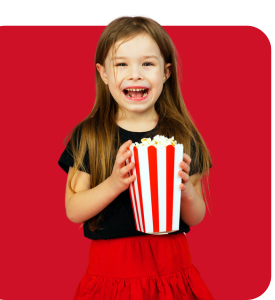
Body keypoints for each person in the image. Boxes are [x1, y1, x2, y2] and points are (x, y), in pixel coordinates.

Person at [58, 16, 214, 300]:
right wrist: (115, 183)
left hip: (172, 269)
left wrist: (187, 191)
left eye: (147, 63)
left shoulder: (183, 135)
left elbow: (196, 216)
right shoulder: (91, 135)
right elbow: (73, 210)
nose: (135, 74)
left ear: (166, 72)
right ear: (103, 73)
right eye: (121, 64)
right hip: (110, 273)